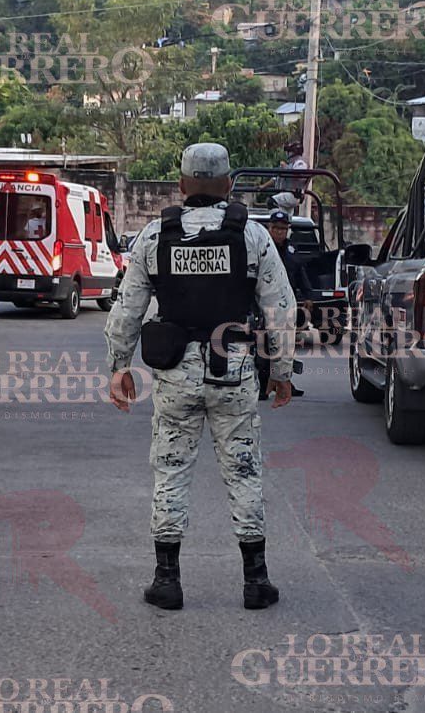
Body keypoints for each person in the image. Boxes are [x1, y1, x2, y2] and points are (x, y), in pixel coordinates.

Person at [106, 142, 299, 612]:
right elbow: (281, 310)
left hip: (174, 376)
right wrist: (280, 371)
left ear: (182, 185)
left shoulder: (154, 237)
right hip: (233, 372)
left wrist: (119, 367)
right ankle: (257, 582)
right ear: (229, 185)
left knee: (170, 471)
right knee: (245, 472)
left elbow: (126, 310)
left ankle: (167, 581)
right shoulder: (252, 236)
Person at [258, 210, 309, 400]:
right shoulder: (262, 248)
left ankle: (285, 380)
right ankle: (264, 384)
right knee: (265, 344)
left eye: (283, 229)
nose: (279, 232)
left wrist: (308, 296)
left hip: (286, 304)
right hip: (265, 304)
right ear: (269, 228)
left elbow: (299, 274)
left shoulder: (291, 250)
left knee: (286, 345)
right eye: (275, 228)